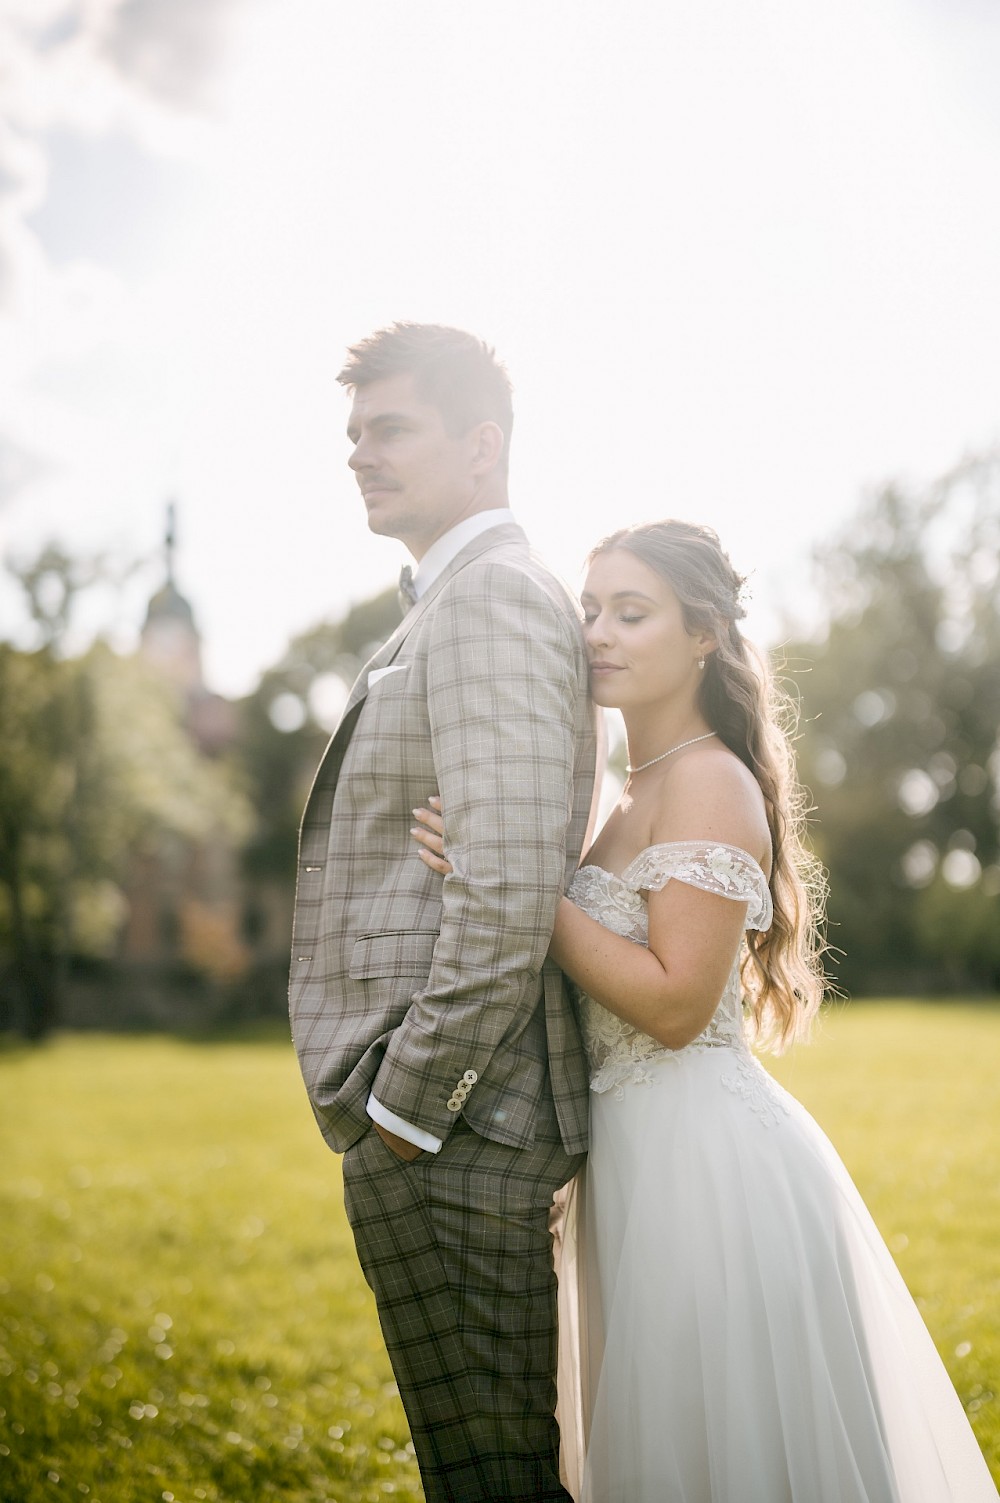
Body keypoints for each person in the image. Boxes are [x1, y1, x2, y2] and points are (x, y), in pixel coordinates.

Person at [412, 519, 999, 1501]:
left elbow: (677, 1003)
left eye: (630, 612)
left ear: (702, 636)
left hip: (711, 1177)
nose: (597, 631)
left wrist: (516, 884)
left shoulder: (708, 781)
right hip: (628, 1167)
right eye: (590, 609)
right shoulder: (625, 788)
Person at [288, 322, 599, 1503]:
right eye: (354, 435)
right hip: (441, 1128)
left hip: (461, 1132)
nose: (361, 455)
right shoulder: (453, 598)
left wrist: (408, 1113)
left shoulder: (491, 600)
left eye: (391, 429)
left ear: (483, 446)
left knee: (491, 1480)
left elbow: (509, 892)